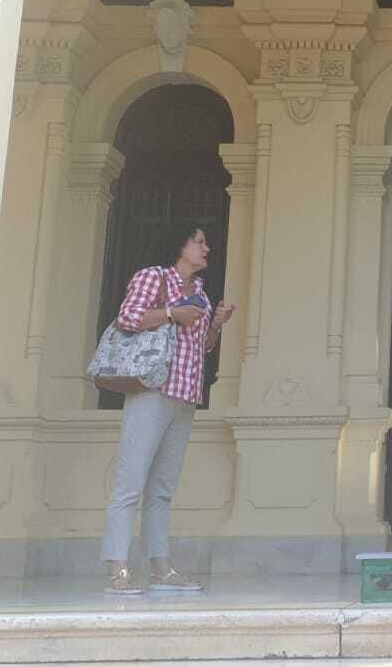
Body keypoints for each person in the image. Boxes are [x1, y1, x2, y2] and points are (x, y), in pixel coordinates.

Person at [101, 224, 236, 595]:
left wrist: (216, 325)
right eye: (199, 241)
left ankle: (161, 568)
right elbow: (128, 318)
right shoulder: (154, 277)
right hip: (151, 390)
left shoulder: (200, 292)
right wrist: (174, 313)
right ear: (180, 245)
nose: (206, 248)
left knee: (162, 488)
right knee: (130, 483)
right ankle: (117, 569)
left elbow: (201, 346)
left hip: (184, 395)